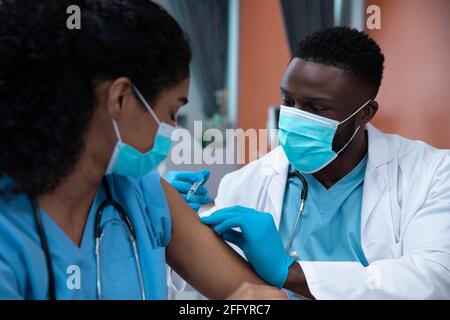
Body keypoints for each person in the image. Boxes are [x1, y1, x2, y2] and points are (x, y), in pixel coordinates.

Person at [0, 0, 287, 300]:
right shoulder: (9, 228)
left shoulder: (141, 192)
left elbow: (256, 298)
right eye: (172, 113)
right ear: (121, 98)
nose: (172, 132)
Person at [168, 27, 450, 299]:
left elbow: (434, 279)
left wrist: (290, 273)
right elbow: (199, 282)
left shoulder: (431, 174)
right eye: (288, 101)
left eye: (316, 108)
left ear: (365, 114)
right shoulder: (247, 182)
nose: (294, 117)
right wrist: (175, 226)